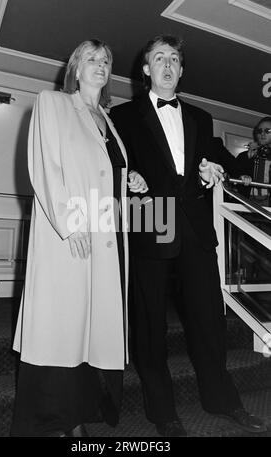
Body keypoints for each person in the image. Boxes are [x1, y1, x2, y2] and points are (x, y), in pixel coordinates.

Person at [110, 34, 266, 437]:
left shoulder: (201, 117)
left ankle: (224, 401)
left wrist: (215, 168)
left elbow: (214, 157)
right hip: (152, 219)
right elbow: (110, 164)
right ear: (145, 70)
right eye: (159, 58)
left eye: (174, 59)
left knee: (209, 322)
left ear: (181, 70)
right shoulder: (123, 116)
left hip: (195, 228)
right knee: (150, 326)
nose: (167, 64)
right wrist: (128, 178)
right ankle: (163, 413)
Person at [10, 39, 147, 437]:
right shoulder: (52, 103)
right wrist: (70, 224)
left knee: (90, 329)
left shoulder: (109, 120)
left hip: (105, 240)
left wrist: (130, 180)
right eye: (91, 58)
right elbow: (46, 166)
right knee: (61, 328)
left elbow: (103, 174)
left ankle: (79, 413)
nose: (100, 65)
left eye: (106, 60)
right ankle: (52, 421)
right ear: (75, 66)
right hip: (67, 236)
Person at [235, 116, 271, 206]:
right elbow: (233, 172)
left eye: (267, 131)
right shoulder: (244, 156)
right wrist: (248, 157)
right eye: (259, 131)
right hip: (247, 205)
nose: (262, 134)